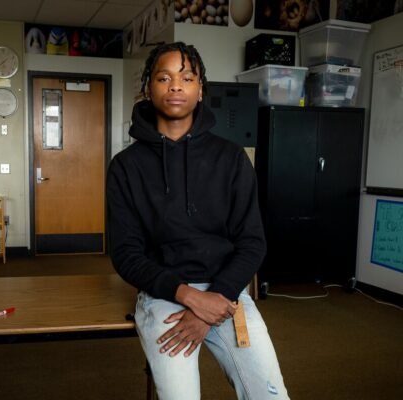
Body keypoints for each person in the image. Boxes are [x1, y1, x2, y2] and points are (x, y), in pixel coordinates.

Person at [106, 42, 289, 400]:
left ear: (201, 89)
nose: (176, 86)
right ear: (148, 88)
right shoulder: (126, 167)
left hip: (227, 293)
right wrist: (189, 296)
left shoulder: (232, 158)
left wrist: (214, 301)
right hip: (164, 294)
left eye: (187, 78)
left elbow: (252, 242)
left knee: (271, 395)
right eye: (164, 78)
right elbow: (126, 253)